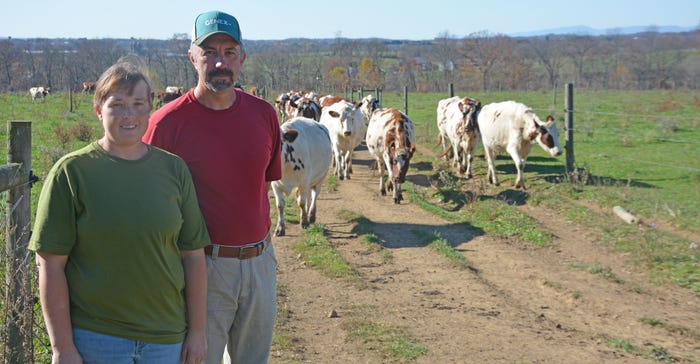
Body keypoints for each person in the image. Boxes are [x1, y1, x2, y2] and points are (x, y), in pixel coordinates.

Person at [30, 60, 210, 364]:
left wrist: (197, 332)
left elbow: (193, 256)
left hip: (165, 339)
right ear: (99, 110)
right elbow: (49, 264)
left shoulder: (173, 170)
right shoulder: (72, 173)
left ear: (150, 108)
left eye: (138, 104)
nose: (129, 114)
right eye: (118, 104)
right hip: (96, 339)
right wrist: (62, 347)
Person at [142, 10, 282, 364]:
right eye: (210, 52)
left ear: (243, 58)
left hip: (259, 262)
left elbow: (260, 184)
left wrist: (261, 255)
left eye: (229, 52)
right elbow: (148, 205)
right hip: (202, 265)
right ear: (192, 57)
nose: (221, 62)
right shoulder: (165, 124)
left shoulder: (264, 114)